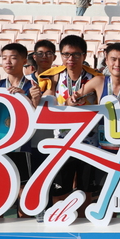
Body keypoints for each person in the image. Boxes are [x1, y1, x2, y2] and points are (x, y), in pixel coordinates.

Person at [39, 35, 103, 204]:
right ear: (61, 55)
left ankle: (84, 222)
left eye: (76, 54)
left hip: (88, 143)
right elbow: (47, 101)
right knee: (60, 192)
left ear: (84, 55)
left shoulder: (95, 78)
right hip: (62, 142)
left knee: (86, 193)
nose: (70, 58)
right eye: (66, 54)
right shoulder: (54, 77)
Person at [0, 44, 42, 215]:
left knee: (22, 188)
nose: (8, 61)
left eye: (13, 57)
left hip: (20, 144)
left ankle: (25, 225)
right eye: (4, 58)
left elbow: (36, 116)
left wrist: (29, 98)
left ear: (24, 61)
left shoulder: (32, 85)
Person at [73, 42, 120, 156]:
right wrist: (75, 100)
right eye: (113, 59)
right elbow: (71, 100)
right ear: (106, 61)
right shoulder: (98, 82)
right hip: (101, 149)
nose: (117, 64)